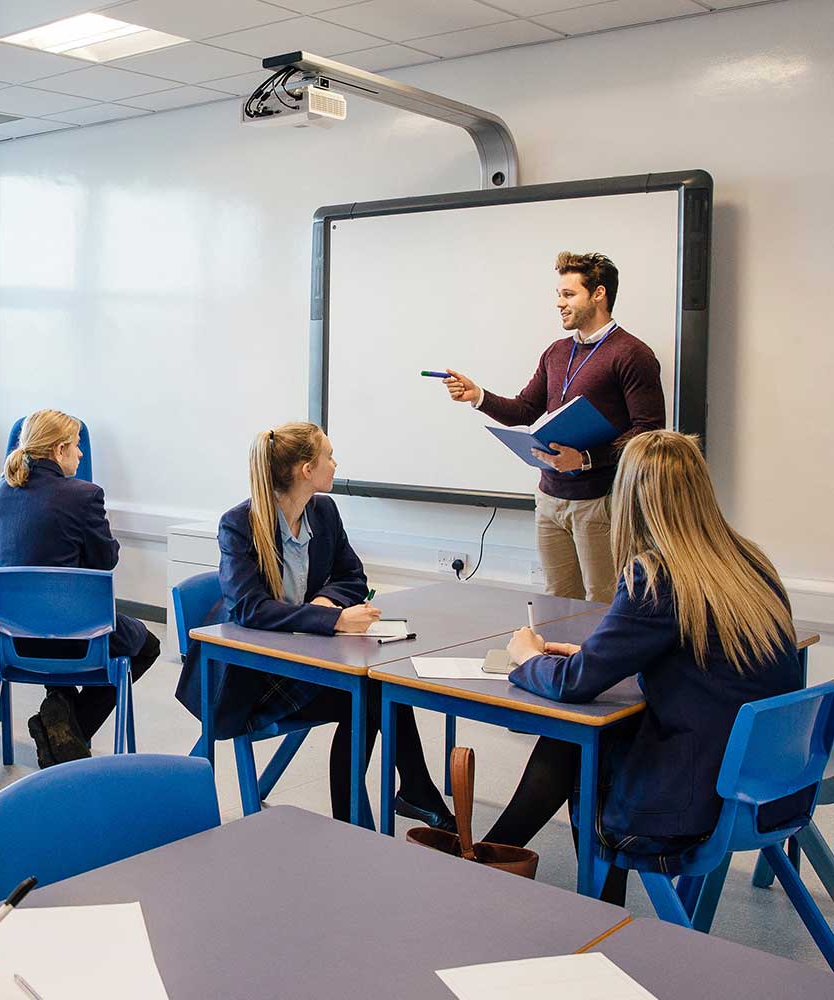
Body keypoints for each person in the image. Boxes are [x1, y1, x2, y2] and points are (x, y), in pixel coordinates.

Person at [487, 431, 809, 904]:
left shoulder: (657, 577)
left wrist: (527, 656)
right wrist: (595, 657)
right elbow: (697, 662)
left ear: (630, 499)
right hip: (772, 787)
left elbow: (575, 684)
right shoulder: (747, 561)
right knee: (573, 742)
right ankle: (489, 858)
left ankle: (505, 870)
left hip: (700, 801)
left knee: (580, 744)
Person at [176, 421, 452, 827]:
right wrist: (332, 618)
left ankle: (392, 803)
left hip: (305, 657)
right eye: (329, 456)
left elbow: (353, 576)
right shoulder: (239, 524)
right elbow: (250, 608)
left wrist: (325, 602)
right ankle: (386, 807)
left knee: (379, 691)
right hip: (250, 677)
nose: (335, 464)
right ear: (307, 469)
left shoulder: (323, 512)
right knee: (369, 699)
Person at [442, 251, 665, 603]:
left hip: (601, 501)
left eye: (568, 294)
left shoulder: (632, 354)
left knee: (602, 602)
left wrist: (586, 459)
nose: (559, 303)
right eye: (559, 294)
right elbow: (525, 409)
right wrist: (479, 396)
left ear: (599, 294)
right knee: (557, 600)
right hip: (549, 499)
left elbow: (648, 432)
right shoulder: (556, 352)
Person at [0, 409, 160, 767]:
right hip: (75, 637)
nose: (81, 454)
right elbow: (105, 560)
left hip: (11, 638)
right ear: (59, 449)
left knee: (55, 632)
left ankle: (59, 713)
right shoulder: (84, 495)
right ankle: (66, 727)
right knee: (148, 645)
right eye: (76, 446)